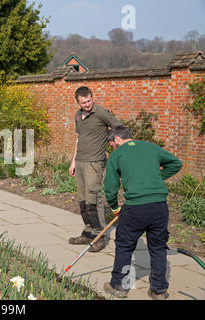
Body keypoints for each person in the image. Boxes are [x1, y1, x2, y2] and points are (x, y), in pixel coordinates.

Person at [103, 125, 182, 300]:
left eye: (111, 144)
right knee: (158, 247)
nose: (112, 148)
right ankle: (159, 290)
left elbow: (110, 186)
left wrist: (115, 207)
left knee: (124, 246)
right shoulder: (150, 146)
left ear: (116, 139)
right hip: (159, 206)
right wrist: (153, 178)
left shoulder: (117, 154)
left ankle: (119, 286)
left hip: (135, 208)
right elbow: (176, 163)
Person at [68, 86, 122, 252]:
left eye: (89, 100)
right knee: (83, 200)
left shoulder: (101, 113)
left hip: (95, 162)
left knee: (93, 197)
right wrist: (73, 161)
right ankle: (87, 232)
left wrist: (116, 148)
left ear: (92, 98)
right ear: (78, 102)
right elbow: (79, 138)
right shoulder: (78, 115)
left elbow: (119, 128)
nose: (87, 104)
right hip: (81, 161)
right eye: (83, 102)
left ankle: (99, 237)